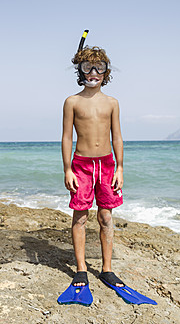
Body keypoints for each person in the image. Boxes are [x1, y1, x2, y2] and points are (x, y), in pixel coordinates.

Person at [61, 40, 124, 289]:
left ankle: (107, 269)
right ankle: (81, 269)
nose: (93, 73)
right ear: (80, 70)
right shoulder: (72, 102)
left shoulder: (112, 103)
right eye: (88, 67)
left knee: (106, 216)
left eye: (99, 68)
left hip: (107, 164)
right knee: (80, 216)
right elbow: (67, 137)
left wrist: (120, 167)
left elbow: (116, 136)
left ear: (106, 72)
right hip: (81, 165)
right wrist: (67, 168)